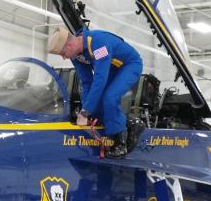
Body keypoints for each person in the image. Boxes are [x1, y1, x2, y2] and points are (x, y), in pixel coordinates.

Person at [47, 27, 143, 158]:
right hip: (111, 69)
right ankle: (132, 123)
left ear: (69, 44)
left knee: (109, 97)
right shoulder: (76, 55)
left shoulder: (98, 43)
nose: (64, 57)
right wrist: (85, 111)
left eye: (63, 53)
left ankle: (119, 144)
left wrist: (86, 110)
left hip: (129, 65)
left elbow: (100, 79)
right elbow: (86, 82)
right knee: (96, 108)